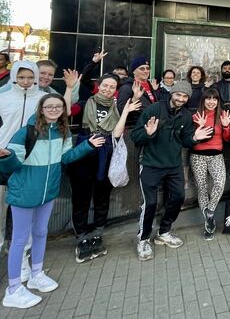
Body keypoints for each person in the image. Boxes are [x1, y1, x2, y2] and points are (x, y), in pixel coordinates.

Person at [0, 93, 105, 309]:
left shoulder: (63, 132)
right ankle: (13, 289)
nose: (54, 110)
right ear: (41, 108)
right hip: (24, 193)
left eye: (58, 106)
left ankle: (36, 274)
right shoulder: (26, 133)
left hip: (48, 193)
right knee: (19, 240)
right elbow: (12, 165)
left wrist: (88, 146)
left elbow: (65, 158)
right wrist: (6, 156)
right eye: (50, 106)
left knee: (40, 232)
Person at [131, 81, 212, 261]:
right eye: (178, 95)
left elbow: (185, 141)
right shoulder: (154, 110)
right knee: (150, 203)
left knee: (178, 198)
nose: (181, 99)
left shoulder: (185, 116)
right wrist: (148, 133)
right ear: (172, 93)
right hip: (151, 163)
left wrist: (194, 138)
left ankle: (164, 232)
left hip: (173, 164)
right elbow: (135, 136)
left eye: (185, 97)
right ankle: (143, 239)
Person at [68, 73, 141, 263]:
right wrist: (69, 88)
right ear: (98, 86)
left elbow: (116, 134)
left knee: (102, 196)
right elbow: (67, 111)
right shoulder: (85, 104)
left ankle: (98, 233)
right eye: (105, 86)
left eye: (112, 87)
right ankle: (81, 237)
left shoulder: (116, 108)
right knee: (81, 198)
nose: (108, 90)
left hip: (106, 156)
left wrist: (125, 111)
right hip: (83, 155)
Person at [0, 61, 46, 269]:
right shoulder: (3, 97)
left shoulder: (43, 99)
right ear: (14, 78)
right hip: (3, 158)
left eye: (29, 77)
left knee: (26, 212)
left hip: (29, 162)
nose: (26, 82)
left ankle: (24, 258)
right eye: (21, 77)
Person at [190, 88, 230, 241]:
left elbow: (227, 139)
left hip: (216, 155)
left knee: (220, 183)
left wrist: (226, 126)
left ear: (218, 101)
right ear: (203, 100)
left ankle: (210, 211)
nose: (211, 102)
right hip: (198, 156)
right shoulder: (196, 115)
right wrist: (199, 126)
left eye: (214, 99)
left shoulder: (222, 115)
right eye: (208, 98)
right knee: (202, 188)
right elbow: (193, 138)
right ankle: (208, 224)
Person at [117, 57, 160, 128]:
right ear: (134, 71)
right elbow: (120, 112)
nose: (146, 71)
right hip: (134, 128)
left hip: (149, 127)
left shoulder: (150, 85)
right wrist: (134, 99)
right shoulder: (127, 88)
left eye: (148, 68)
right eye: (142, 69)